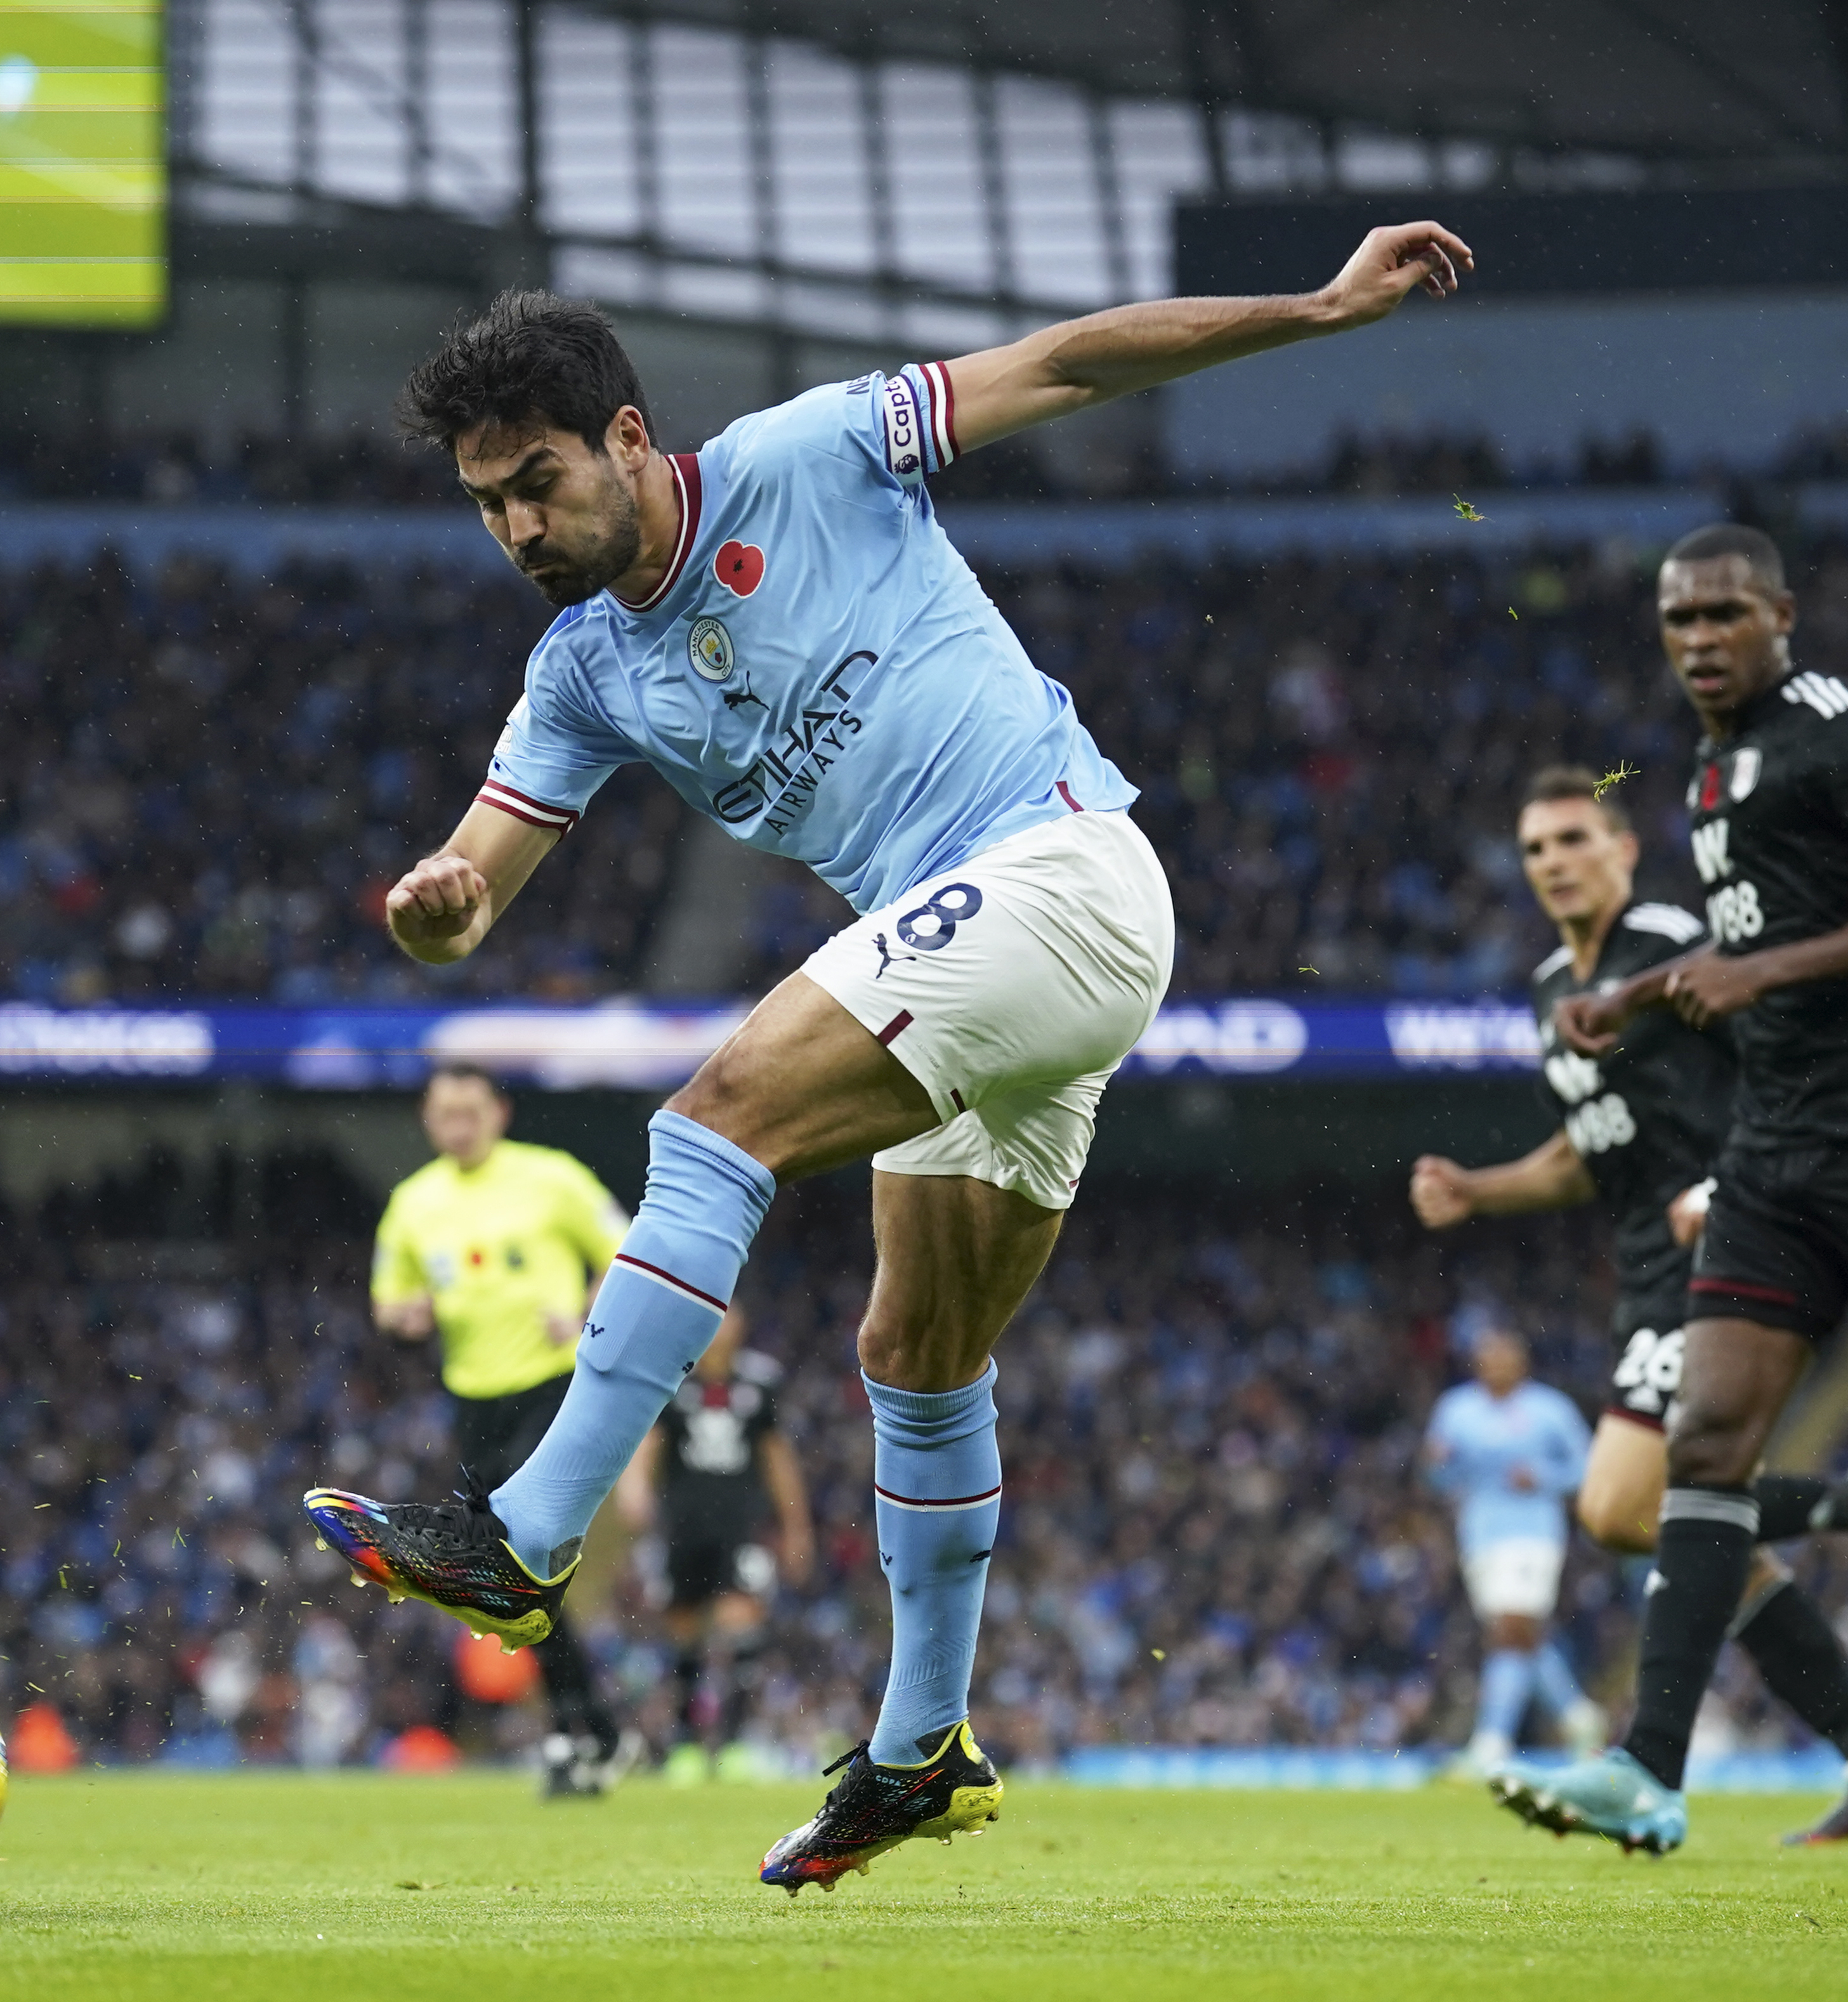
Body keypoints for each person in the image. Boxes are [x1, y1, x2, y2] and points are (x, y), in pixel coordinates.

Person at [298, 218, 1478, 1893]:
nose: (515, 527)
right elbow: (474, 881)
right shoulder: (577, 670)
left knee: (714, 1116)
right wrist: (436, 910)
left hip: (1057, 867)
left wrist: (1315, 307)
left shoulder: (805, 449)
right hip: (981, 962)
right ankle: (922, 1745)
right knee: (915, 1353)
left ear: (627, 440)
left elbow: (1062, 361)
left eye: (538, 481)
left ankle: (527, 1527)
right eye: (486, 502)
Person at [1505, 523, 1848, 1854]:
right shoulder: (1715, 775)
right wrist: (1641, 997)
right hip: (1778, 1160)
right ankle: (1649, 1773)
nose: (1701, 640)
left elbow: (1767, 961)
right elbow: (1742, 956)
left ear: (1782, 615)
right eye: (1680, 622)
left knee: (1667, 1482)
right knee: (1706, 1456)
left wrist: (1750, 980)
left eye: (1726, 616)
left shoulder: (1836, 729)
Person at [1413, 766, 1848, 1828]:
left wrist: (1736, 1179)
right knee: (1701, 1534)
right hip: (1645, 1268)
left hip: (1734, 1247)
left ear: (1622, 849)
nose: (1552, 863)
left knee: (1622, 1506)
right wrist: (1477, 1188)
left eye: (1573, 839)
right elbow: (1586, 1150)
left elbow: (1787, 1059)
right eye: (1534, 848)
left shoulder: (1677, 950)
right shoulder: (1553, 987)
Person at [370, 1063, 634, 1796]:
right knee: (517, 1578)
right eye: (445, 1112)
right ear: (429, 1120)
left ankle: (577, 1729)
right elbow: (390, 1302)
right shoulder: (413, 1205)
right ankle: (592, 1730)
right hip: (473, 1404)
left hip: (552, 1388)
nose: (459, 1124)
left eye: (471, 1110)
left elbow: (628, 1245)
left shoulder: (551, 1179)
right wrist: (407, 1317)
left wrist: (588, 1305)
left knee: (523, 1549)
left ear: (500, 1111)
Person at [614, 1306, 812, 1781]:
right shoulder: (675, 1380)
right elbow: (651, 1440)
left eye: (731, 1318)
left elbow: (776, 1455)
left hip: (740, 1524)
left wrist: (795, 1526)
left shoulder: (761, 1382)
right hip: (683, 1524)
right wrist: (634, 1487)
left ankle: (736, 1744)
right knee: (683, 1628)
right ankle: (685, 1745)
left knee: (741, 1618)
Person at [1420, 1329, 1601, 1774]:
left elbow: (1587, 1467)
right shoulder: (1456, 1410)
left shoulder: (1549, 1409)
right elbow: (1439, 1478)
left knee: (1511, 1628)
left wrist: (1542, 1478)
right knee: (1519, 1636)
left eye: (1504, 1358)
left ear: (1522, 1363)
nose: (1495, 1366)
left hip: (1534, 1532)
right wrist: (1438, 1463)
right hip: (1480, 1534)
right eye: (1487, 1358)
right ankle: (1580, 1717)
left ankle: (1492, 1741)